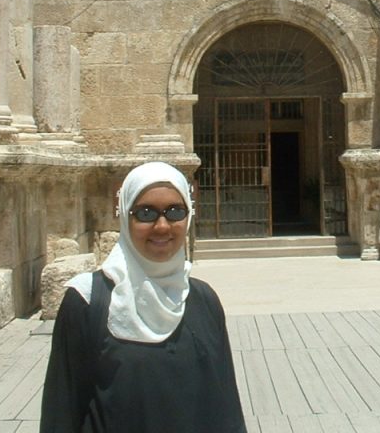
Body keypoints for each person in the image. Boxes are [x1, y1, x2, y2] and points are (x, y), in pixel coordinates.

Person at [40, 161, 247, 433]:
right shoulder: (87, 300)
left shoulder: (203, 300)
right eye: (146, 213)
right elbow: (62, 410)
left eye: (175, 211)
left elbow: (226, 407)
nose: (162, 226)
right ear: (126, 218)